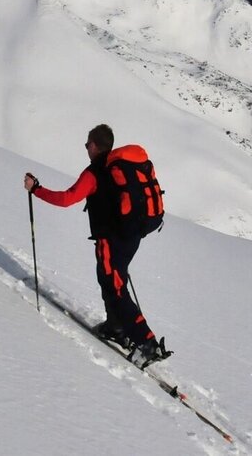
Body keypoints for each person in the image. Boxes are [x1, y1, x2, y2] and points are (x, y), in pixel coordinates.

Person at [23, 123, 166, 367]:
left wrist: (36, 189)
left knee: (115, 286)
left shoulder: (95, 173)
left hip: (110, 239)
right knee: (109, 279)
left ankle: (147, 342)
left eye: (87, 143)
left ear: (95, 146)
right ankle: (115, 327)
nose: (85, 147)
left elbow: (67, 199)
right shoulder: (120, 167)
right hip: (132, 235)